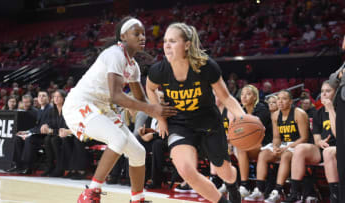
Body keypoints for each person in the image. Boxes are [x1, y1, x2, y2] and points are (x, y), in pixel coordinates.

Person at [62, 17, 176, 203]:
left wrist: (159, 113)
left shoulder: (133, 66)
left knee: (138, 152)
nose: (142, 37)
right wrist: (151, 108)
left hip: (102, 107)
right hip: (81, 104)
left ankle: (137, 199)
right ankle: (90, 193)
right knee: (118, 138)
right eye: (136, 33)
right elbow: (117, 96)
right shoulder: (114, 54)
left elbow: (140, 99)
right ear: (123, 36)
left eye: (143, 34)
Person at [146, 22, 247, 203]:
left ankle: (232, 186)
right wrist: (160, 117)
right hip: (179, 124)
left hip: (208, 122)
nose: (166, 46)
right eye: (165, 41)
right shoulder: (159, 70)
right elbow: (150, 89)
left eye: (172, 41)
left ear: (186, 44)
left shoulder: (206, 66)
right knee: (186, 170)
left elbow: (226, 97)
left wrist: (244, 118)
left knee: (225, 171)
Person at [245, 90, 309, 203]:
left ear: (290, 101)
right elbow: (276, 137)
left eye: (284, 99)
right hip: (284, 145)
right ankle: (259, 190)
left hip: (299, 145)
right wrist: (275, 146)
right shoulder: (275, 115)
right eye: (278, 99)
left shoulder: (299, 113)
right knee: (263, 154)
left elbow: (304, 138)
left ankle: (277, 191)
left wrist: (285, 148)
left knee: (285, 155)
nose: (280, 101)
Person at [283, 81, 337, 202]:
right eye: (322, 91)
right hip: (323, 148)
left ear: (336, 93)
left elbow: (338, 133)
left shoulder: (341, 109)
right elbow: (316, 138)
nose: (324, 94)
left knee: (328, 152)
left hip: (339, 147)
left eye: (328, 91)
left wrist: (331, 109)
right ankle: (295, 193)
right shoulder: (318, 113)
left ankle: (335, 195)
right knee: (300, 148)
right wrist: (320, 142)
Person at [236, 85, 272, 198]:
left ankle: (258, 187)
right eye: (242, 94)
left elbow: (253, 131)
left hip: (267, 145)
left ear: (255, 96)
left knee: (241, 147)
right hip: (253, 145)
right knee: (239, 149)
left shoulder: (261, 108)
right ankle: (244, 186)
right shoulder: (240, 110)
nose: (244, 97)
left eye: (248, 94)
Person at [329, 40, 345, 201]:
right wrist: (340, 75)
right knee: (342, 152)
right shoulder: (344, 64)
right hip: (341, 103)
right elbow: (332, 80)